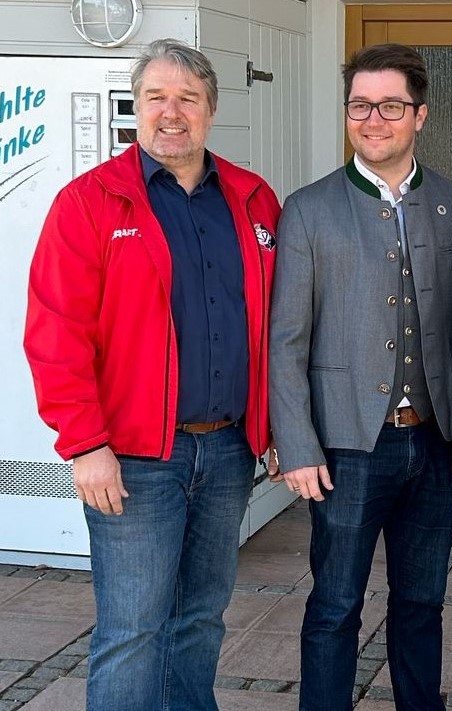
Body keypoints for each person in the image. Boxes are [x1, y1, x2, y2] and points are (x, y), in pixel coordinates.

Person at [23, 39, 280, 710]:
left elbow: (280, 325)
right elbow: (56, 332)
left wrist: (276, 423)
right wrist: (84, 443)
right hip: (134, 457)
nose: (171, 113)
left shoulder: (254, 201)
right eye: (155, 98)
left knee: (201, 617)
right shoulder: (90, 202)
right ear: (134, 110)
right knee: (133, 629)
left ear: (211, 110)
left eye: (187, 98)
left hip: (227, 450)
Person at [269, 43, 452, 711]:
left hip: (434, 442)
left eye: (390, 105)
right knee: (335, 603)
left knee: (422, 601)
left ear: (420, 115)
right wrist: (297, 445)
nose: (374, 118)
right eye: (361, 105)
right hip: (346, 449)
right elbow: (286, 339)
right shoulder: (308, 209)